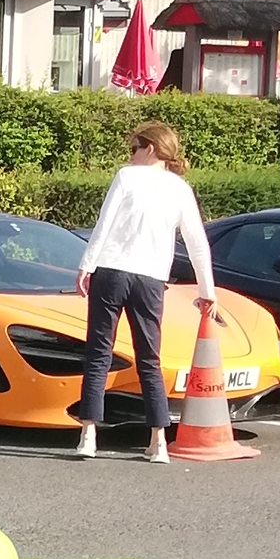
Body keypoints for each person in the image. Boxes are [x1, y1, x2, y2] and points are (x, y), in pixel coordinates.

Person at [75, 117, 215, 465]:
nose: (132, 154)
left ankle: (88, 435)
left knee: (98, 352)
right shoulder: (180, 188)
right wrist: (207, 289)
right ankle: (158, 441)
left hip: (111, 269)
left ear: (149, 148)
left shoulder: (126, 176)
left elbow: (104, 223)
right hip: (151, 278)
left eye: (135, 147)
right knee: (149, 357)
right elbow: (197, 243)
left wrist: (86, 264)